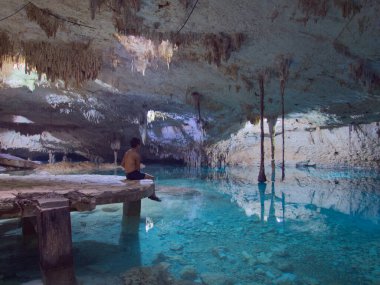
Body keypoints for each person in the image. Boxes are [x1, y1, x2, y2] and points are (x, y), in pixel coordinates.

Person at [121, 137, 161, 202]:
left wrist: (129, 168)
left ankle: (152, 195)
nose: (140, 146)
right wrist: (136, 173)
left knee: (143, 175)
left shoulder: (127, 152)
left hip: (127, 175)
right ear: (137, 145)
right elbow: (138, 169)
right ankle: (152, 195)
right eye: (139, 144)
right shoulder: (136, 155)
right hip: (133, 175)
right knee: (151, 178)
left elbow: (122, 164)